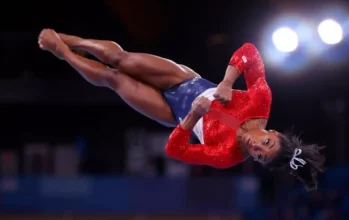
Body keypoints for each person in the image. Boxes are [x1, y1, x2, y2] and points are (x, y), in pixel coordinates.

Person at [38, 29, 325, 191]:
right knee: (120, 59)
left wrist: (192, 117)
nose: (256, 147)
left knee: (114, 78)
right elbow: (249, 51)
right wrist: (226, 82)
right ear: (273, 132)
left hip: (170, 112)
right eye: (266, 143)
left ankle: (61, 52)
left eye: (260, 156)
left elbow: (176, 151)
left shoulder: (227, 156)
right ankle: (70, 41)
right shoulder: (260, 100)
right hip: (186, 81)